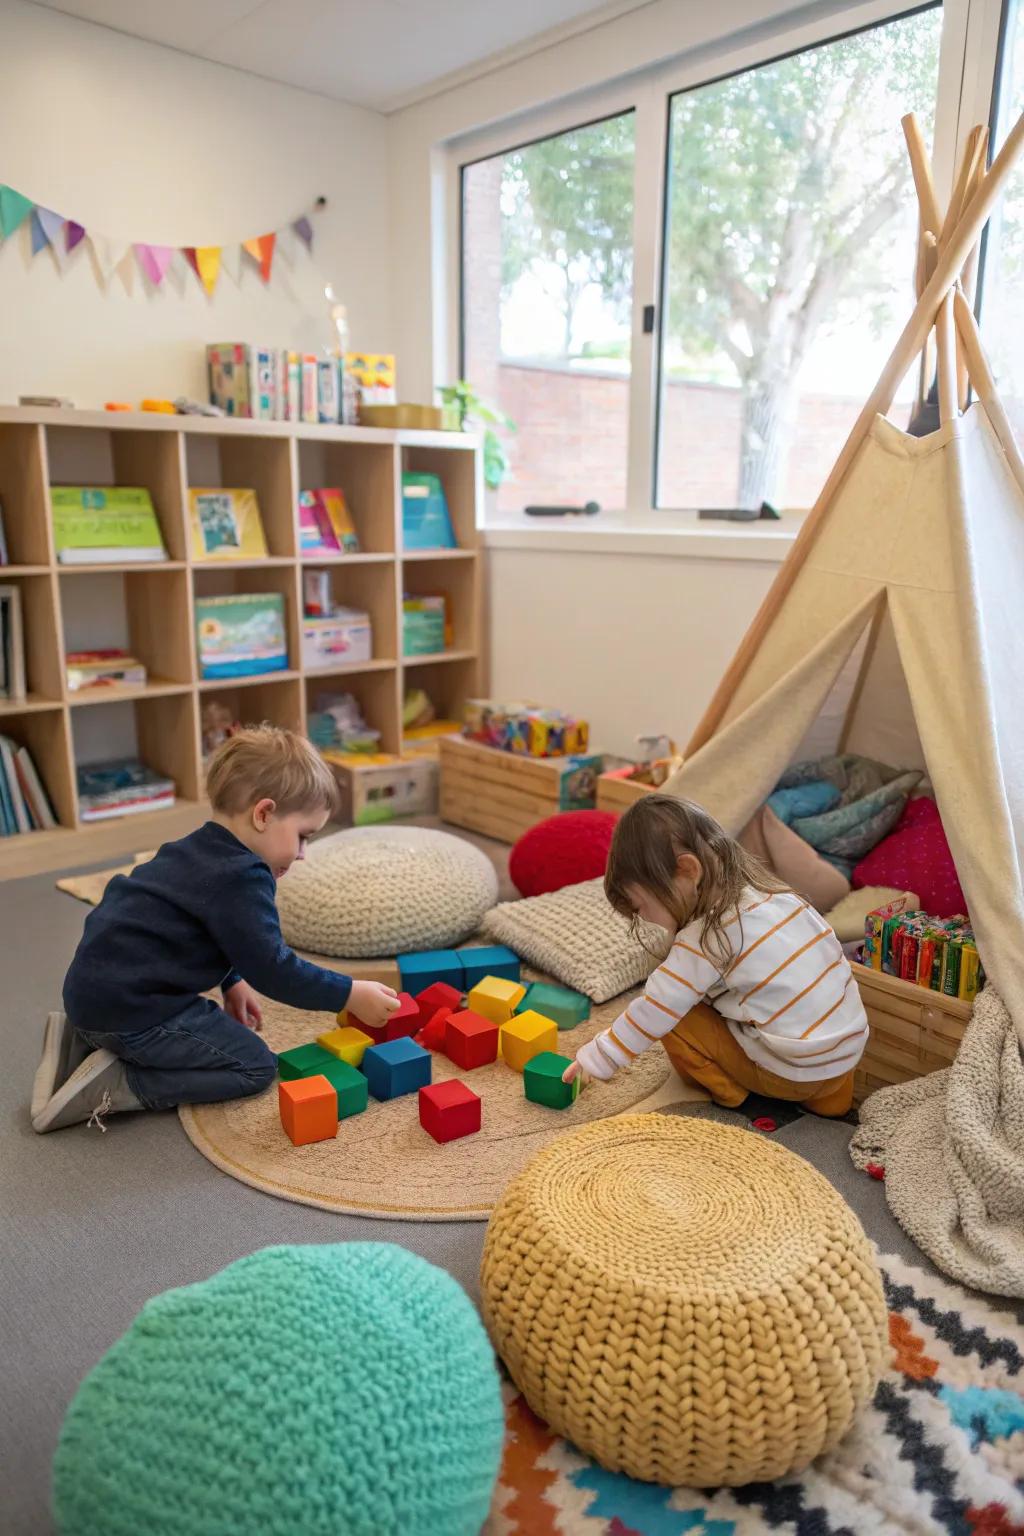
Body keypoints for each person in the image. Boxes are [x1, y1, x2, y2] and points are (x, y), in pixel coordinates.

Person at [32, 725, 400, 1133]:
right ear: (263, 813)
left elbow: (212, 930)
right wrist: (348, 994)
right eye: (302, 837)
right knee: (254, 1067)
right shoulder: (244, 877)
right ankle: (121, 1083)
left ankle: (83, 1039)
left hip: (90, 995)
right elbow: (276, 970)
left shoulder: (197, 849)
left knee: (198, 1028)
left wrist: (232, 981)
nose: (302, 855)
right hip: (135, 1012)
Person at [565, 794, 867, 1116]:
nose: (647, 920)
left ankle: (734, 1095)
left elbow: (654, 1009)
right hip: (844, 1059)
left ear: (687, 870)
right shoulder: (783, 899)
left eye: (642, 907)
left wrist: (595, 1058)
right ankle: (830, 1104)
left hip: (791, 1073)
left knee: (677, 1014)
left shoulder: (706, 939)